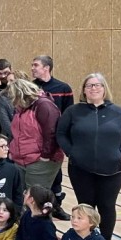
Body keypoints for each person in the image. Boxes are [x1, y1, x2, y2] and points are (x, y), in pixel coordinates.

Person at [57, 73, 121, 240]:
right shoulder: (73, 112)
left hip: (112, 170)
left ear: (104, 89)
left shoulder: (119, 112)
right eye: (89, 86)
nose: (93, 88)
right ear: (84, 90)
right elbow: (61, 134)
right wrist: (72, 153)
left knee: (107, 205)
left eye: (97, 85)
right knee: (85, 206)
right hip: (80, 169)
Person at [2, 78, 68, 219]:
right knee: (23, 197)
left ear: (21, 94)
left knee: (36, 199)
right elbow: (18, 134)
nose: (12, 102)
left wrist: (45, 155)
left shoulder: (44, 106)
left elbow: (51, 133)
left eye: (13, 98)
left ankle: (40, 230)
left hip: (41, 160)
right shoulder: (23, 108)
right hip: (23, 159)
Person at [31, 54, 74, 215]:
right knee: (37, 172)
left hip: (56, 138)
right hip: (35, 139)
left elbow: (69, 114)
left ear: (46, 68)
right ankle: (36, 205)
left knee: (56, 173)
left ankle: (56, 205)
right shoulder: (30, 87)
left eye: (36, 65)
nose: (32, 68)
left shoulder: (63, 88)